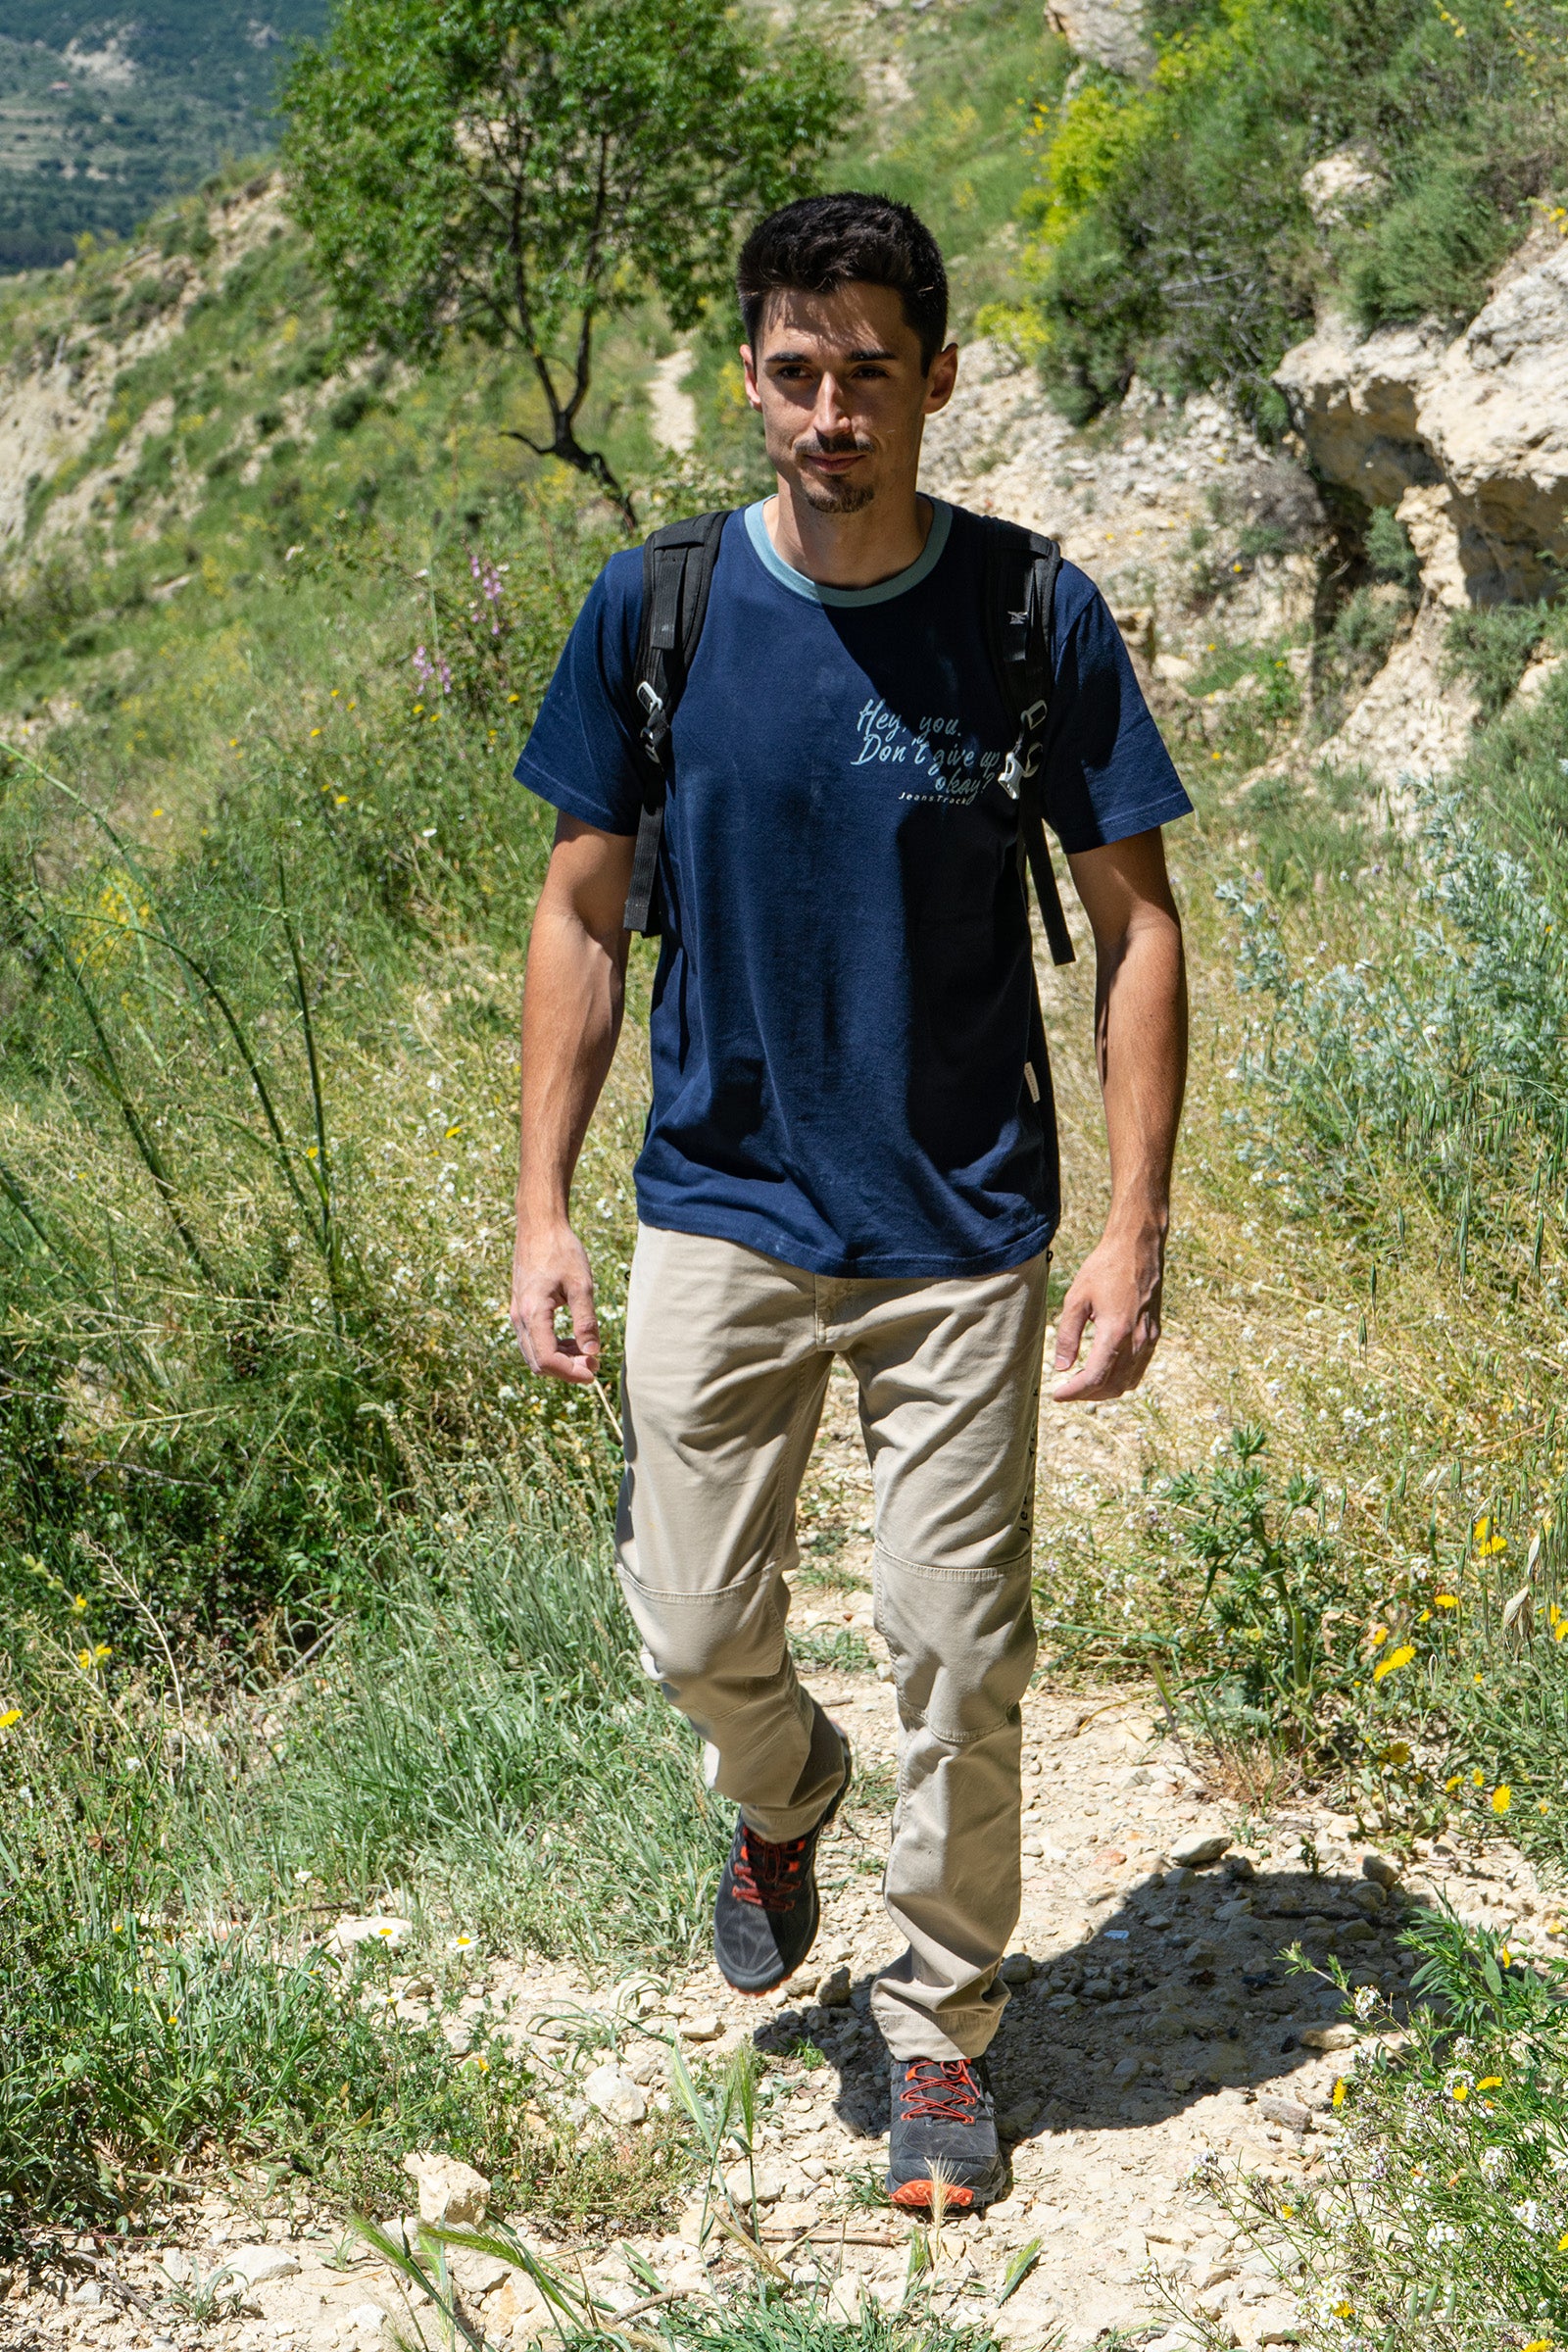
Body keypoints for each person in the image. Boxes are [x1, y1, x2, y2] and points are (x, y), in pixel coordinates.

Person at [510, 191, 1190, 2211]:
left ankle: (943, 2030)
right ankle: (783, 1792)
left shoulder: (1024, 615)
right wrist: (540, 1206)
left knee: (954, 1651)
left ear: (936, 380)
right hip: (716, 1203)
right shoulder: (661, 613)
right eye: (794, 373)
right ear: (749, 376)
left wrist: (1133, 1233)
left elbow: (1132, 926)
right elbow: (577, 908)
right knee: (693, 1627)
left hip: (955, 1231)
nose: (829, 412)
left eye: (868, 373)